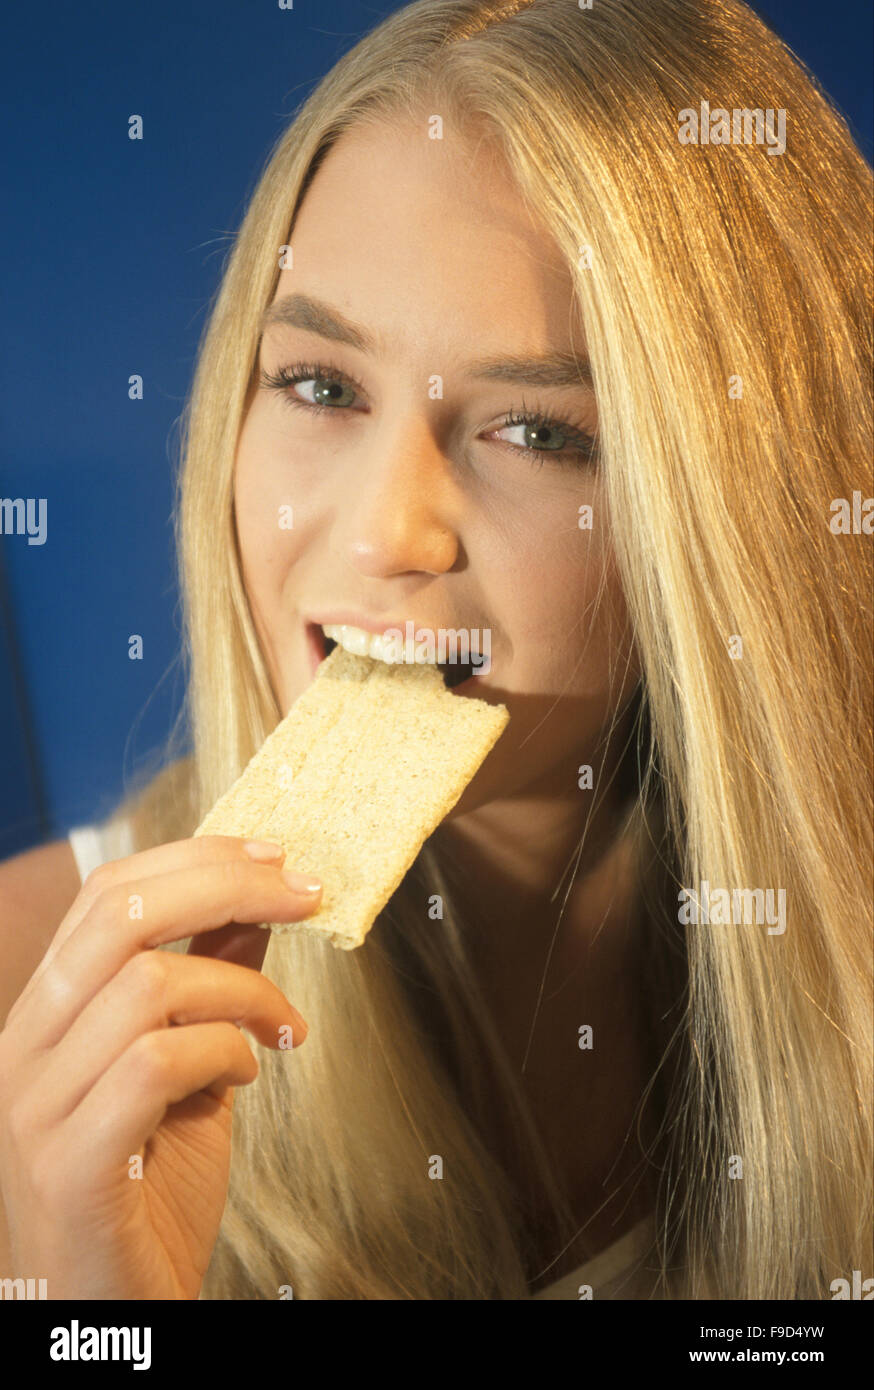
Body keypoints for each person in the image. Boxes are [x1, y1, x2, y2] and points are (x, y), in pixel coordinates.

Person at [0, 0, 871, 1300]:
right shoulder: (23, 992)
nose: (386, 529)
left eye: (537, 432)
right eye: (320, 386)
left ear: (734, 508)